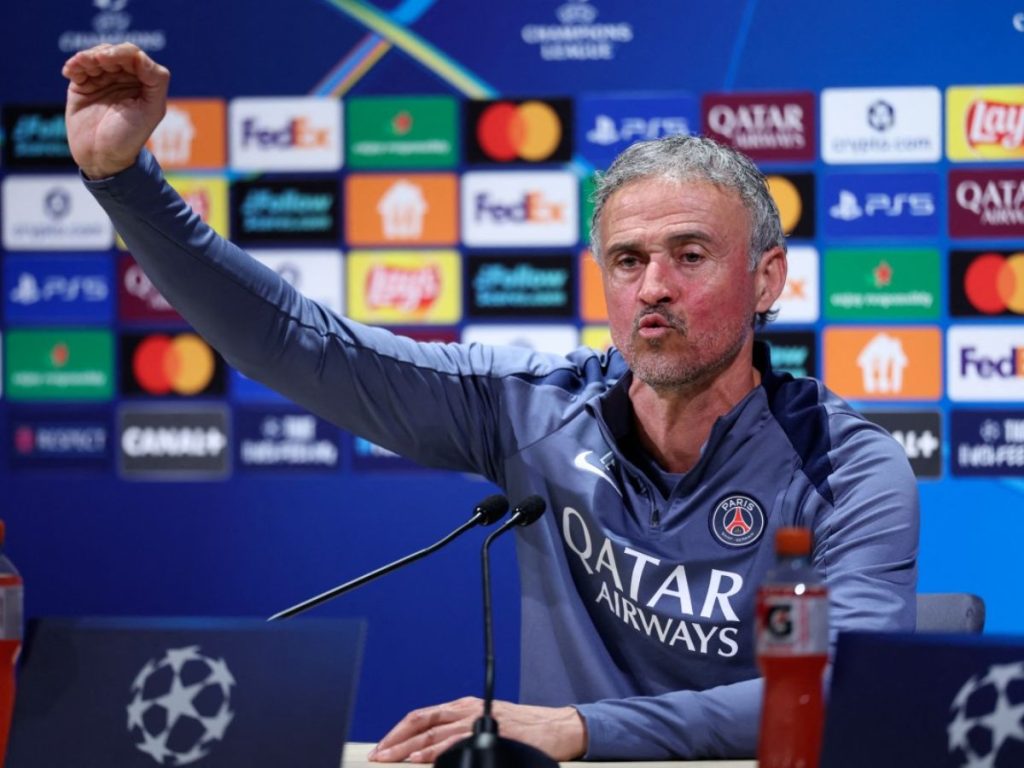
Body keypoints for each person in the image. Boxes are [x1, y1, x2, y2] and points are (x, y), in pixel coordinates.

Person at [62, 43, 919, 762]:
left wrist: (582, 730)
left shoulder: (848, 465)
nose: (654, 287)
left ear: (765, 277)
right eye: (628, 261)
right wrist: (123, 180)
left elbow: (844, 686)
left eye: (690, 254)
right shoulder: (532, 410)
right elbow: (296, 340)